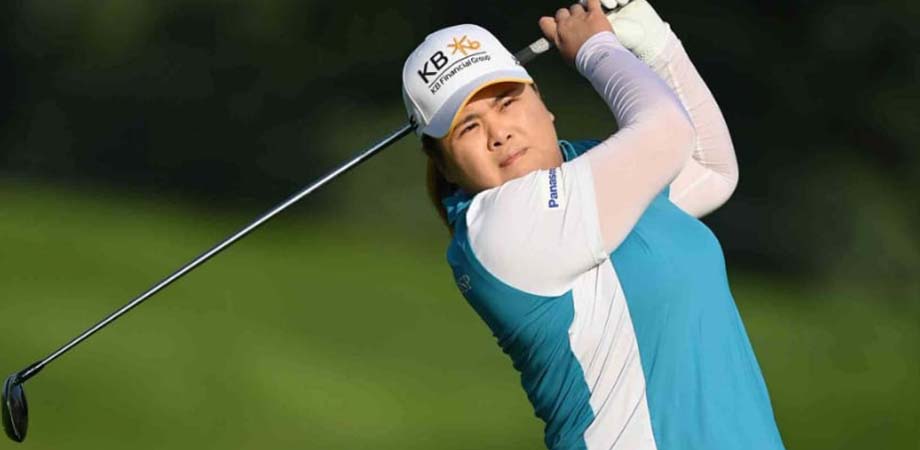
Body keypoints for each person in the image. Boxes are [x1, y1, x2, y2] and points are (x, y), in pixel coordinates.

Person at [400, 0, 785, 448]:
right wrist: (596, 49)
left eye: (506, 102)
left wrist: (655, 44)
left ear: (542, 102)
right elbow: (667, 134)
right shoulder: (500, 225)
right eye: (468, 127)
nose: (498, 133)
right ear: (445, 166)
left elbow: (707, 169)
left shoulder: (586, 172)